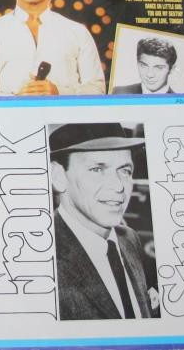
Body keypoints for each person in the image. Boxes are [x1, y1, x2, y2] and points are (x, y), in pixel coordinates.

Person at [50, 122, 158, 320]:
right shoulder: (44, 257)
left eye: (125, 170)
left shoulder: (129, 239)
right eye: (97, 169)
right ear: (58, 177)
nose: (118, 186)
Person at [113, 37, 178, 94]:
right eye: (144, 65)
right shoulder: (116, 92)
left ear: (172, 69)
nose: (149, 75)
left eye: (159, 68)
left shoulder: (179, 101)